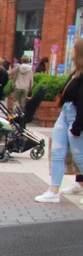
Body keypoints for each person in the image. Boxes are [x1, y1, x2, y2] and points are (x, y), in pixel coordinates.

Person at [35, 39, 83, 205]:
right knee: (57, 152)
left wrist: (77, 126)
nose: (70, 52)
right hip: (65, 114)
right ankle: (53, 191)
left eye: (73, 49)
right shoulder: (74, 72)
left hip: (76, 116)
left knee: (80, 155)